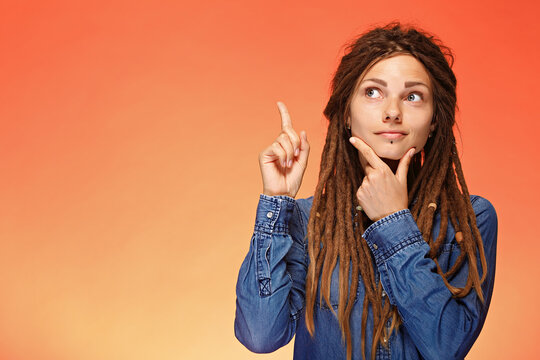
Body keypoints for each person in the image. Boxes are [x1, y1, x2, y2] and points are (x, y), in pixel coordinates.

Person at [234, 22, 497, 360]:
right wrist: (277, 202)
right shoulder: (306, 221)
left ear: (434, 121)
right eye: (373, 92)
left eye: (413, 96)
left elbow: (446, 348)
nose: (392, 112)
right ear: (346, 112)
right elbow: (260, 335)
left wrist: (393, 221)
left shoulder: (471, 219)